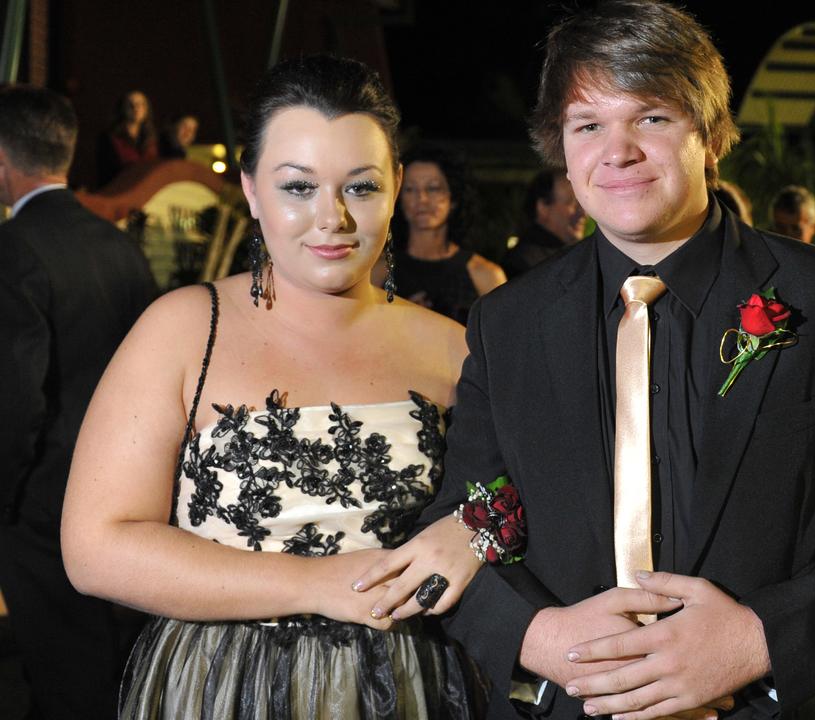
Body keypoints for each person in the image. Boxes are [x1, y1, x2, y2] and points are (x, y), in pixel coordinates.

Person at [354, 2, 815, 718]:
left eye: (652, 118)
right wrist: (545, 639)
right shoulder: (509, 322)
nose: (619, 149)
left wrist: (758, 641)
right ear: (561, 148)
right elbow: (463, 525)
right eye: (588, 124)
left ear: (712, 133)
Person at [62, 55, 487, 718]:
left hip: (409, 688)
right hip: (221, 687)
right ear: (253, 191)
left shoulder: (457, 347)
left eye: (361, 188)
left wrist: (478, 528)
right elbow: (96, 547)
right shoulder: (181, 331)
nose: (333, 219)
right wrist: (319, 583)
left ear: (396, 186)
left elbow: (525, 500)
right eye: (298, 187)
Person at [0, 84, 156, 720]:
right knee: (96, 658)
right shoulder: (117, 243)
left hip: (38, 499)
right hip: (119, 489)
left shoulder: (13, 248)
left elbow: (16, 401)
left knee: (60, 669)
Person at [372, 142, 505, 322]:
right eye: (410, 189)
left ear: (454, 198)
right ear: (398, 198)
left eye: (433, 188)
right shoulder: (378, 272)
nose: (422, 199)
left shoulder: (485, 276)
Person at [502, 168, 586, 279]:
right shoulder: (524, 264)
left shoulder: (576, 254)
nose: (583, 212)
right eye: (571, 203)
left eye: (582, 202)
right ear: (543, 208)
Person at [97, 89, 158, 186]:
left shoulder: (151, 139)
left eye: (141, 104)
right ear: (122, 108)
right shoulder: (109, 138)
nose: (136, 108)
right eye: (130, 104)